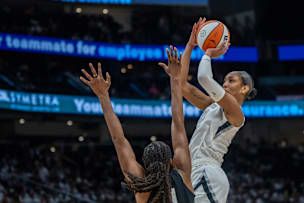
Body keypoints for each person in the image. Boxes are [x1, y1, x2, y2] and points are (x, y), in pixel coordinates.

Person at [159, 18, 257, 203]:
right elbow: (182, 85)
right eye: (225, 80)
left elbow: (204, 77)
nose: (225, 83)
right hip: (189, 171)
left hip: (207, 172)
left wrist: (208, 54)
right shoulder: (212, 105)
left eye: (232, 80)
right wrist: (190, 45)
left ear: (244, 89)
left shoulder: (236, 113)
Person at [79, 46, 194, 203]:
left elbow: (118, 139)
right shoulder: (182, 173)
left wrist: (103, 96)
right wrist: (175, 78)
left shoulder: (142, 186)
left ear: (144, 165)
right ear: (171, 162)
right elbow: (178, 123)